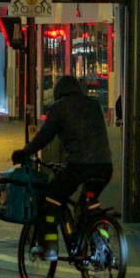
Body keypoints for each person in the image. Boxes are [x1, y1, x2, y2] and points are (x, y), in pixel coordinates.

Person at [11, 74, 112, 262]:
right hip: (104, 166)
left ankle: (48, 247)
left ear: (58, 93)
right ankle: (101, 241)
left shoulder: (59, 108)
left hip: (78, 166)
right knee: (89, 201)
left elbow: (44, 136)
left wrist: (24, 153)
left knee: (50, 202)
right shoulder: (93, 104)